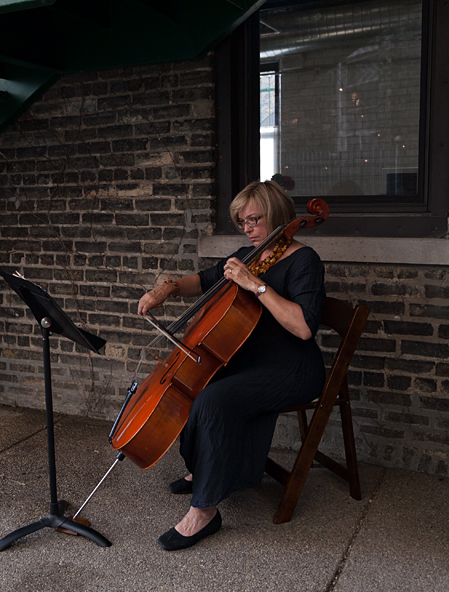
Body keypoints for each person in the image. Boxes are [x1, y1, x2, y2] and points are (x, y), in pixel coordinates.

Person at [137, 180, 326, 551]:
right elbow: (204, 280)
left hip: (292, 370)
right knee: (196, 386)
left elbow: (303, 326)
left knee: (213, 400)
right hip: (252, 363)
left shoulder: (304, 261)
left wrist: (255, 285)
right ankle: (203, 469)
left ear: (277, 215)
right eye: (242, 222)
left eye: (254, 219)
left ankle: (204, 511)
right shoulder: (251, 255)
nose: (248, 228)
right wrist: (168, 288)